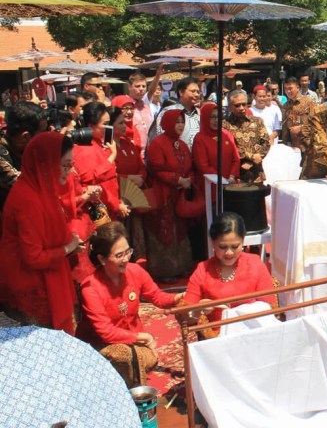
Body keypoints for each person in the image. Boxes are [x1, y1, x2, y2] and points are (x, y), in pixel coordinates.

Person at [77, 222, 183, 388]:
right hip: (102, 345)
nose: (126, 258)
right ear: (101, 259)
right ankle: (131, 394)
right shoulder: (90, 288)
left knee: (143, 358)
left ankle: (129, 385)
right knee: (124, 355)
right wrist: (143, 337)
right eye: (119, 255)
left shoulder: (135, 271)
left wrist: (180, 297)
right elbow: (106, 333)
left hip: (133, 340)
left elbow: (158, 297)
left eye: (128, 251)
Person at [0, 133, 85, 333]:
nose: (69, 172)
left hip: (49, 274)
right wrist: (67, 247)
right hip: (31, 284)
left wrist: (69, 247)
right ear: (45, 164)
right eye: (65, 165)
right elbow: (34, 257)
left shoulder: (42, 190)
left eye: (71, 165)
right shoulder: (28, 200)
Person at [184, 212, 275, 327]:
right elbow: (185, 318)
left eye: (235, 246)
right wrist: (198, 310)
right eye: (222, 247)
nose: (229, 253)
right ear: (213, 242)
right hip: (217, 336)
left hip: (252, 332)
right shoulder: (203, 270)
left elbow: (270, 307)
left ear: (243, 241)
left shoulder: (255, 264)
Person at [145, 109, 194, 280]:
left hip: (179, 194)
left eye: (182, 122)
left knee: (180, 229)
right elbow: (157, 168)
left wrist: (188, 180)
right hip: (163, 193)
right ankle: (163, 270)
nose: (180, 125)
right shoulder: (158, 143)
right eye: (176, 122)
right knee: (164, 231)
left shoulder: (183, 144)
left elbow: (190, 166)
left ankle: (181, 266)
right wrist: (178, 180)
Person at [73, 101, 128, 221]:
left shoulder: (101, 144)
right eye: (106, 124)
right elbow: (92, 180)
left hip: (110, 208)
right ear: (91, 125)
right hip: (98, 213)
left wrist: (116, 201)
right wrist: (112, 156)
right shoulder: (84, 149)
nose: (109, 128)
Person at [109, 104, 147, 260]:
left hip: (134, 198)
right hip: (117, 200)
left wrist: (140, 177)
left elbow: (141, 165)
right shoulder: (107, 148)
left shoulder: (128, 144)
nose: (125, 126)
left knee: (135, 236)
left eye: (124, 122)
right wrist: (128, 178)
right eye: (120, 123)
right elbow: (109, 173)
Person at [0, 101, 49, 214]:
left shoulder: (28, 148)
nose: (47, 135)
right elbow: (28, 186)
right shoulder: (2, 156)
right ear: (26, 136)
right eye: (42, 132)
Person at [192, 102, 241, 190]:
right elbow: (203, 165)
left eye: (219, 117)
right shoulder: (200, 138)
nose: (216, 120)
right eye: (212, 117)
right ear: (205, 118)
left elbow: (236, 158)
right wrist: (222, 180)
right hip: (210, 186)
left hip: (230, 184)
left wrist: (232, 176)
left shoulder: (227, 135)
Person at [225, 90, 270, 183]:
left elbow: (266, 142)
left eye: (244, 104)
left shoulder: (257, 121)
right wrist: (251, 156)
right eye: (237, 105)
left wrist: (255, 159)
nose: (241, 108)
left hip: (257, 173)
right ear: (230, 107)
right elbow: (229, 148)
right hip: (236, 174)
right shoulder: (225, 125)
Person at [154, 77, 201, 149]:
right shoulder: (168, 112)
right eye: (193, 91)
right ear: (181, 92)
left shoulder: (200, 114)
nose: (197, 94)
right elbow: (160, 137)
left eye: (198, 92)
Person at [280, 76, 316, 149]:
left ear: (298, 88)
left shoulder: (309, 102)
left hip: (308, 143)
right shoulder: (285, 106)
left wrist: (301, 128)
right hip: (293, 144)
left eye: (290, 88)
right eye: (286, 89)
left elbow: (316, 121)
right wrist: (284, 144)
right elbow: (284, 128)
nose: (288, 91)